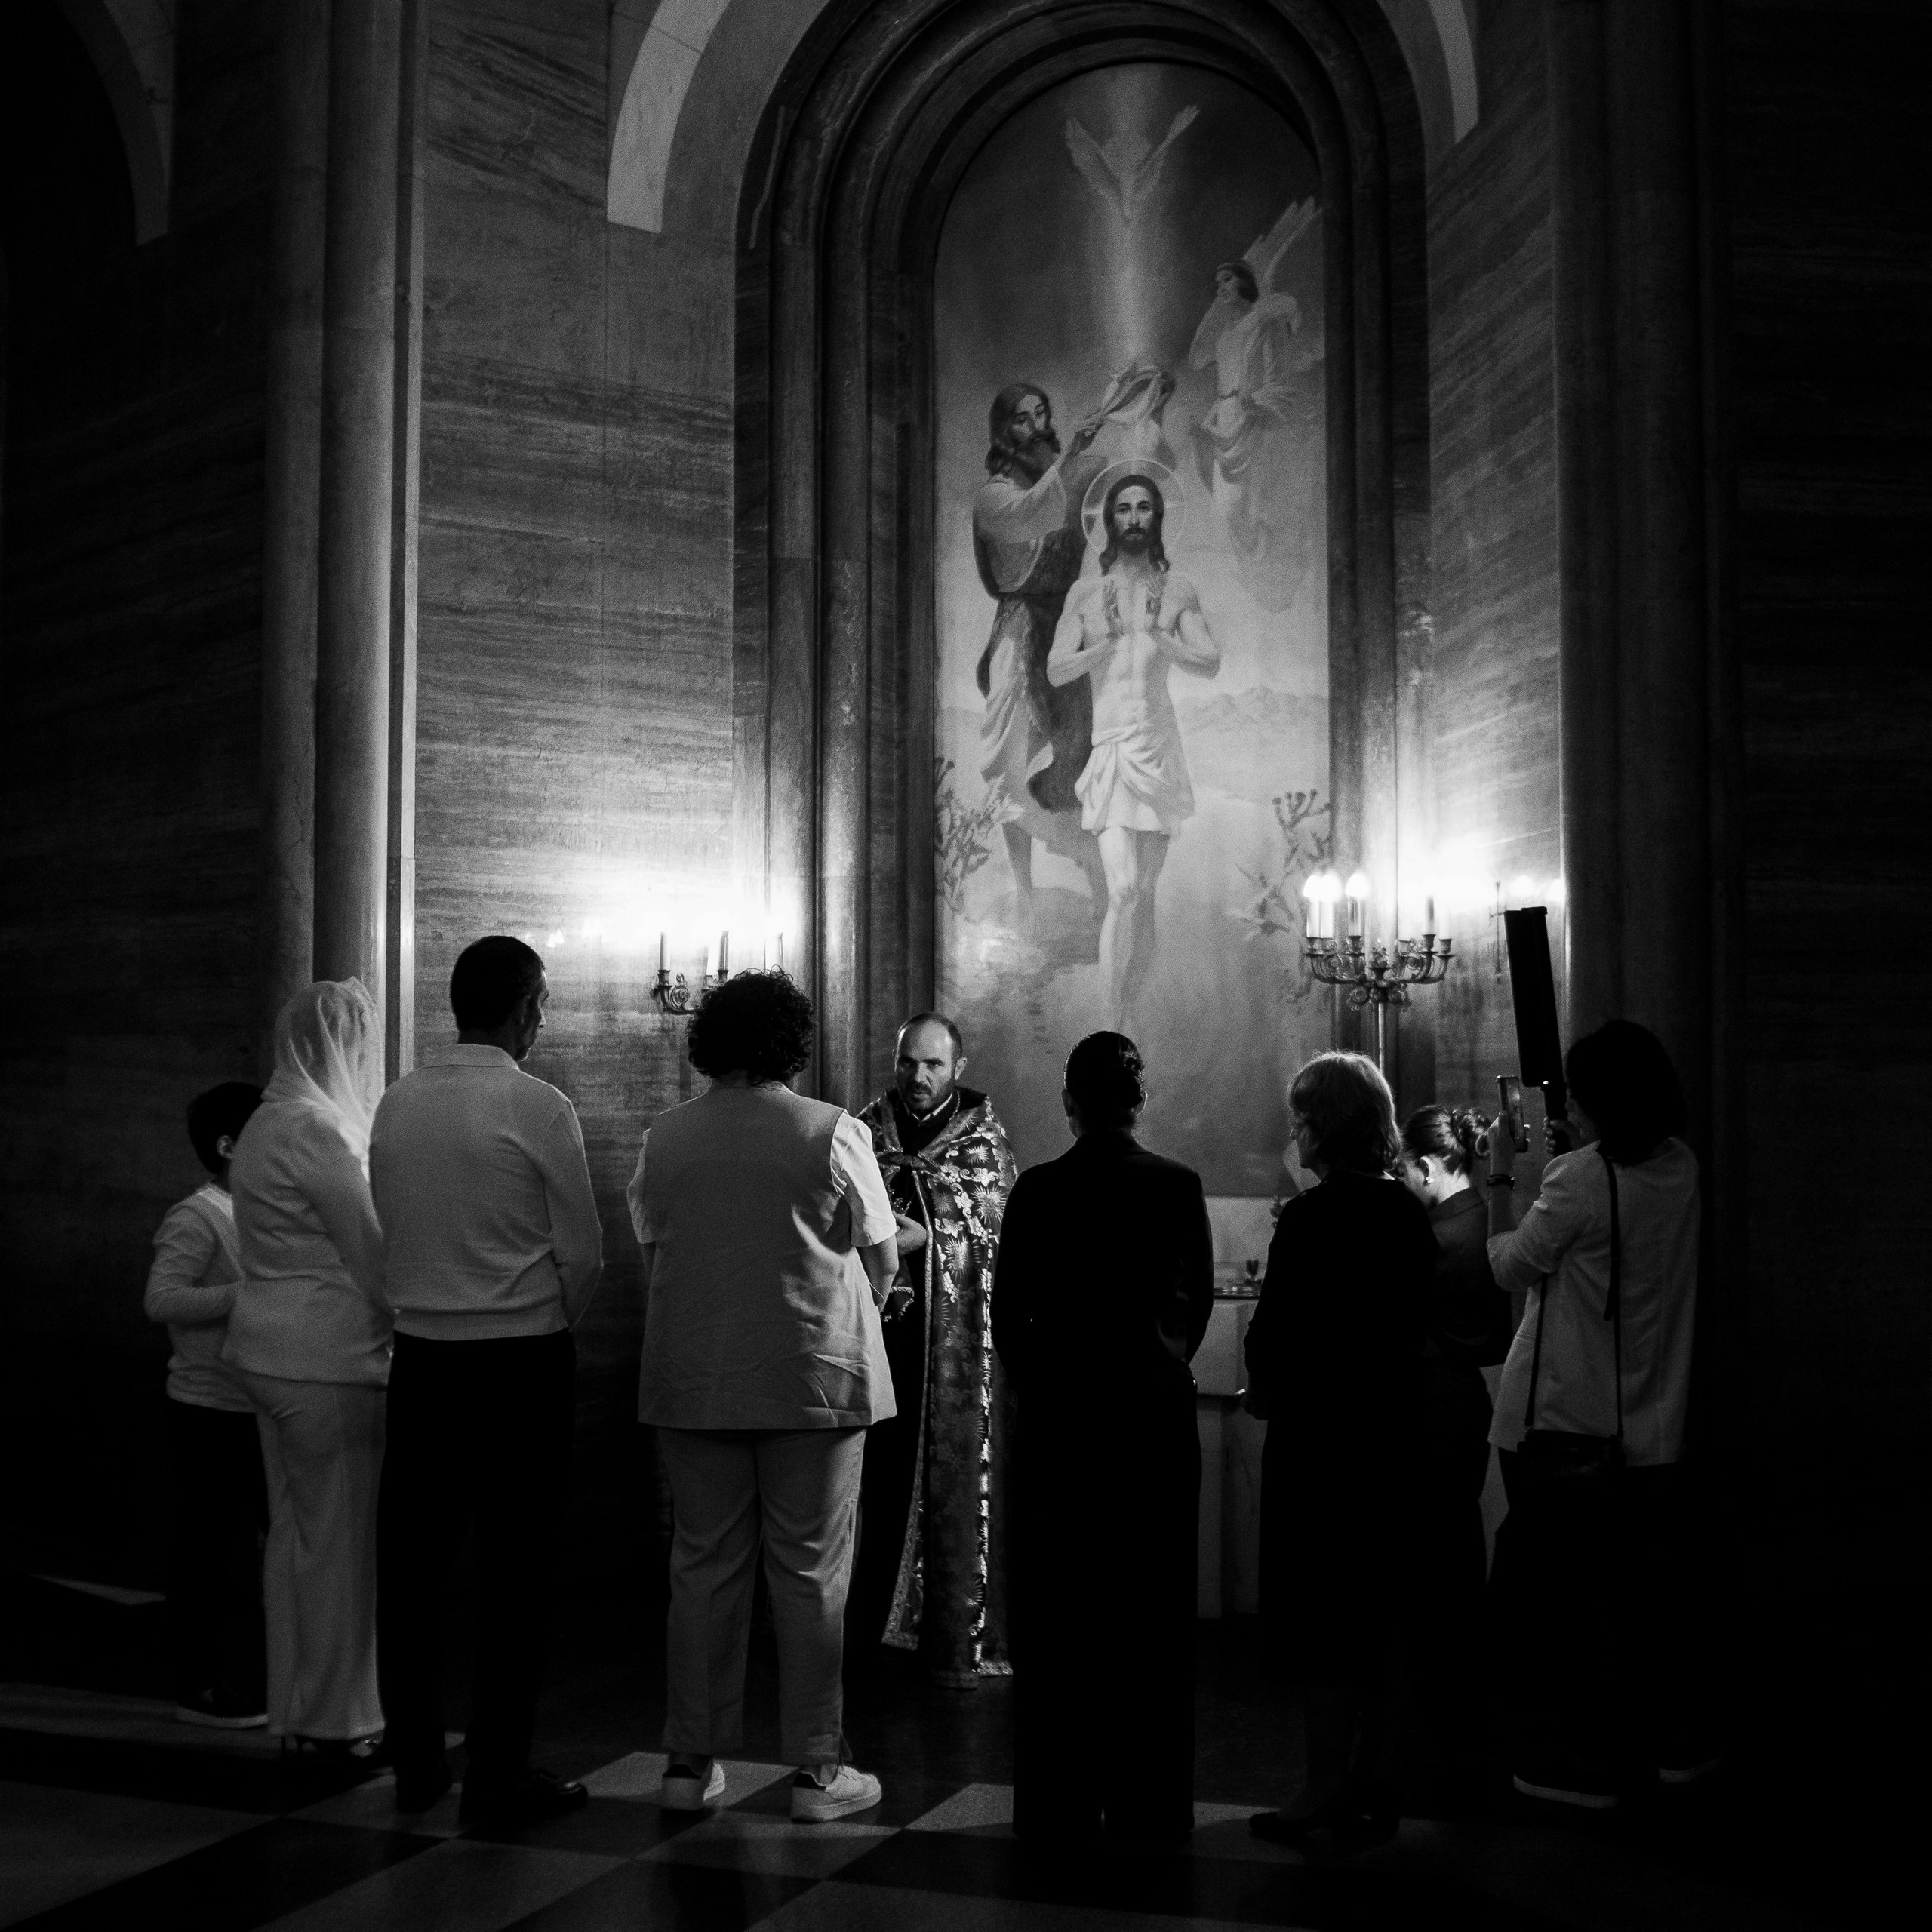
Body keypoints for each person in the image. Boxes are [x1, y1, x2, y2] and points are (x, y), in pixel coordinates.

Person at [629, 971, 899, 1823]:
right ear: (793, 1040)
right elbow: (882, 1252)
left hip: (696, 1376)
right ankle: (819, 1774)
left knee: (701, 1569)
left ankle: (687, 1762)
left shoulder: (664, 1136)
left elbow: (652, 1246)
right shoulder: (831, 1129)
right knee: (812, 1572)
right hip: (814, 1378)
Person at [370, 934, 604, 1826]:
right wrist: (541, 1320)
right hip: (519, 1364)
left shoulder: (396, 1103)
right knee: (518, 1575)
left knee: (413, 1571)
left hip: (421, 1359)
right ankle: (498, 1770)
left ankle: (418, 1764)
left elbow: (389, 1225)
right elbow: (584, 1253)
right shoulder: (537, 1105)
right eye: (541, 1002)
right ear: (526, 1007)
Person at [991, 1032, 1212, 1844]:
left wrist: (1049, 1386)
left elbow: (1009, 1317)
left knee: (1060, 1623)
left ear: (1068, 1102)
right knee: (1150, 1621)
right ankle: (1150, 1805)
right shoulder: (1176, 1183)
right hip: (1152, 1426)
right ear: (1138, 1099)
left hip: (1061, 1430)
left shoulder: (1037, 1191)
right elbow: (1193, 1307)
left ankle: (1057, 1804)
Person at [1484, 1020, 1708, 1810]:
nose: (1569, 1105)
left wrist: (1502, 1181)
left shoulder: (1577, 1179)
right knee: (1644, 1596)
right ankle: (1671, 1747)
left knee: (1557, 1600)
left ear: (1602, 1102)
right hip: (1657, 1420)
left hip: (1566, 1423)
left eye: (1577, 1096)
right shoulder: (1682, 1169)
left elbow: (1511, 1263)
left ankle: (1573, 1762)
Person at [1244, 1051, 1435, 1854]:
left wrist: (1264, 1381)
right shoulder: (1404, 1214)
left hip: (1323, 1448)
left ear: (1327, 1123)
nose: (1294, 1130)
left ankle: (1322, 1786)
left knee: (1327, 1623)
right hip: (1391, 1439)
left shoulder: (1313, 1219)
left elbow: (1278, 1334)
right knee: (1384, 1616)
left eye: (1301, 1116)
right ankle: (1378, 1778)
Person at [224, 980, 389, 1755]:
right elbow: (370, 1255)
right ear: (345, 1043)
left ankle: (292, 1707)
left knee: (292, 1536)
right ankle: (338, 1720)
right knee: (341, 1545)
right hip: (329, 1362)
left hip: (263, 1353)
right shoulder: (321, 1130)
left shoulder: (263, 1121)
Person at [850, 1013, 1017, 1684]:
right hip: (873, 1339)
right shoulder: (863, 1130)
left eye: (934, 1066)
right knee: (873, 1482)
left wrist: (931, 1237)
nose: (918, 1078)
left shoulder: (983, 1143)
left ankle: (940, 1634)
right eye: (908, 1064)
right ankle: (864, 1630)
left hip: (945, 1351)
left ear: (958, 1068)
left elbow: (992, 1226)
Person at [1047, 470, 1220, 1025]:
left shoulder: (1178, 589)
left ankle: (1131, 1010)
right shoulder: (1085, 595)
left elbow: (1209, 660)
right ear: (1108, 520)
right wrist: (1111, 641)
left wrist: (1155, 631)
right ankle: (1110, 1021)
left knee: (1143, 893)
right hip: (1114, 751)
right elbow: (1055, 669)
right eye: (1124, 509)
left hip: (1158, 748)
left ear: (1157, 518)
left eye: (1145, 509)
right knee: (1122, 890)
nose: (1134, 519)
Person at [143, 1080, 268, 1729]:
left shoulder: (255, 1211)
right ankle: (200, 1682)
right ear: (228, 1146)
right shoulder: (197, 1215)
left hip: (253, 1405)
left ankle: (253, 1674)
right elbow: (161, 1300)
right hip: (205, 1409)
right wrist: (245, 1297)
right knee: (208, 1551)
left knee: (250, 1547)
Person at [973, 381, 1110, 908]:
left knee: (1074, 755)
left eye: (1042, 415)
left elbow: (1107, 495)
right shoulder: (995, 496)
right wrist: (1071, 454)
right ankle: (1025, 890)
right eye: (1024, 419)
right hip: (1020, 630)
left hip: (1064, 630)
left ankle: (1096, 878)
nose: (1037, 426)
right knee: (1008, 768)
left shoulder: (1067, 479)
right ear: (1004, 433)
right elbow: (1034, 513)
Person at [1398, 1104, 1513, 1699]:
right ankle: (1463, 1669)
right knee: (1459, 1534)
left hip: (1435, 1402)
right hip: (1474, 1400)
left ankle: (1442, 1675)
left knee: (1435, 1547)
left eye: (1402, 1175)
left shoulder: (1435, 1239)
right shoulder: (1487, 1222)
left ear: (1423, 1168)